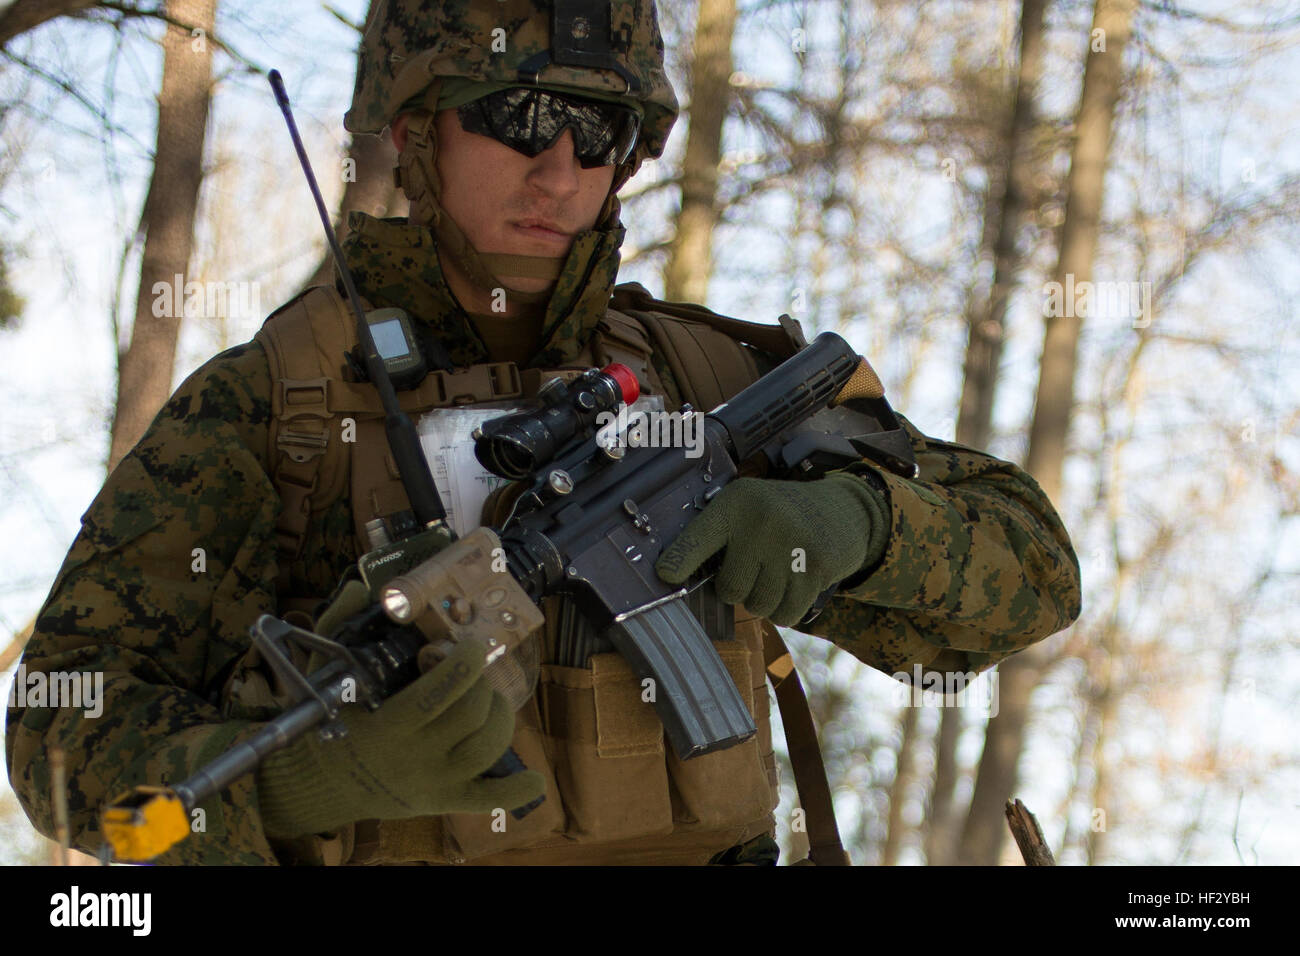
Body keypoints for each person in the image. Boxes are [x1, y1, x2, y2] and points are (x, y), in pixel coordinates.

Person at [5, 0, 1081, 866]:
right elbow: (60, 729)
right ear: (417, 129)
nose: (559, 170)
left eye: (598, 132)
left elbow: (1034, 569)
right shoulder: (270, 408)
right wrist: (296, 781)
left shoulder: (706, 377)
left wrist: (857, 524)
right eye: (517, 117)